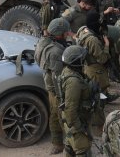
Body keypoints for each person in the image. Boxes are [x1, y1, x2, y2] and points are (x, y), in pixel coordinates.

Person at [37, 17, 73, 155]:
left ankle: (57, 143)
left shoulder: (43, 42)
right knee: (62, 116)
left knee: (54, 114)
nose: (67, 34)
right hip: (56, 89)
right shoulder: (55, 52)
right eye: (66, 32)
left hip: (49, 85)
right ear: (59, 34)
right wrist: (62, 96)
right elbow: (58, 77)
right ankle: (66, 145)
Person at [58, 45, 96, 157]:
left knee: (70, 146)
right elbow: (70, 109)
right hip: (76, 122)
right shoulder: (74, 82)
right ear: (76, 62)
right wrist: (80, 128)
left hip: (72, 120)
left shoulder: (67, 71)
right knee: (83, 150)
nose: (84, 61)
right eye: (81, 59)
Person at [77, 11, 112, 129]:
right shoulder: (93, 40)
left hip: (87, 68)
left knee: (91, 95)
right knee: (98, 99)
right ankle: (99, 126)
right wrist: (107, 45)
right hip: (96, 71)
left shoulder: (83, 31)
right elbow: (102, 58)